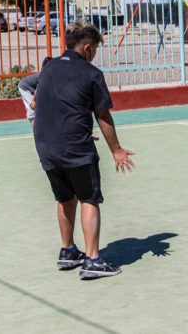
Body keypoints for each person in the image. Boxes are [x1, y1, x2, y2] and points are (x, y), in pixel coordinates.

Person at [33, 20, 136, 280]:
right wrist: (116, 149)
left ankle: (68, 251)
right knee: (89, 198)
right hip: (75, 147)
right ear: (87, 48)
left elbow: (36, 102)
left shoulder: (49, 67)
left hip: (46, 145)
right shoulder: (92, 74)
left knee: (65, 198)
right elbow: (102, 115)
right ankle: (93, 260)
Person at [18, 56, 52, 126]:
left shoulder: (52, 75)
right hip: (25, 87)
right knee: (32, 109)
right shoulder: (44, 75)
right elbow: (39, 87)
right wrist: (33, 100)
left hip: (33, 89)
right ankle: (35, 132)